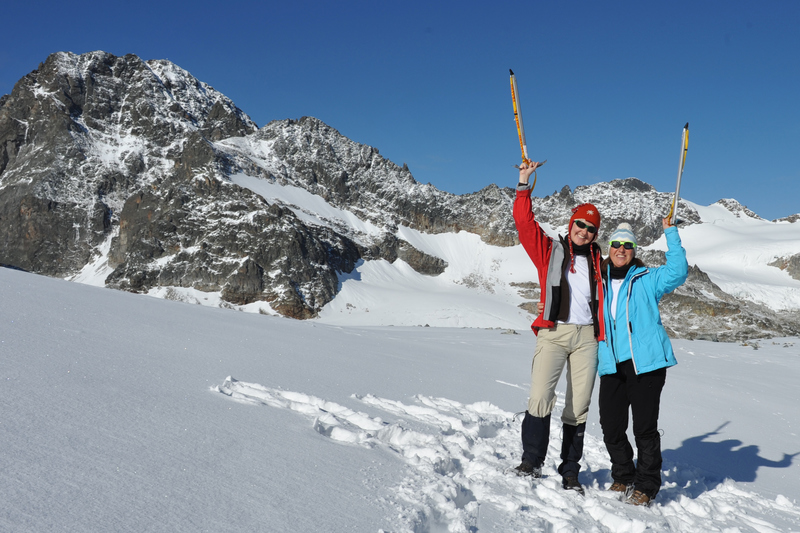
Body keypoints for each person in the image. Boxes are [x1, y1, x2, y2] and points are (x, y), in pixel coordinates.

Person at [512, 161, 606, 494]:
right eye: (580, 224)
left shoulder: (599, 262)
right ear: (571, 223)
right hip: (554, 334)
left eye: (591, 228)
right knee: (540, 397)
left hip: (587, 339)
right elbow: (525, 224)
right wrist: (524, 183)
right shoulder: (550, 250)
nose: (584, 231)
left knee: (578, 406)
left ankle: (570, 471)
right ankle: (531, 461)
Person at [598, 219, 688, 506]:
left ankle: (646, 486)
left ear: (634, 250)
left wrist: (670, 232)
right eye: (616, 244)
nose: (621, 249)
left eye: (627, 245)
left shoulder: (647, 278)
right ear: (609, 247)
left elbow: (678, 272)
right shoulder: (598, 281)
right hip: (611, 363)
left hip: (645, 364)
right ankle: (623, 475)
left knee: (644, 429)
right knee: (611, 426)